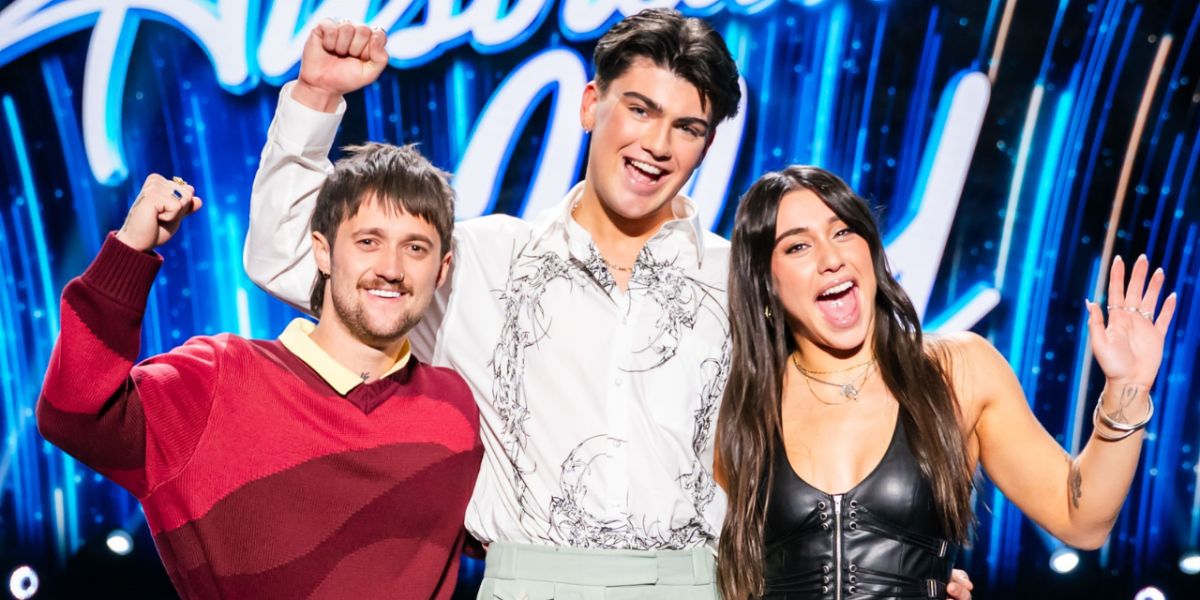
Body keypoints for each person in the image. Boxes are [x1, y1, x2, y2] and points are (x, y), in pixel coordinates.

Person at [242, 10, 973, 599]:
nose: (657, 144)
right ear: (592, 104)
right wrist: (316, 98)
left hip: (703, 581)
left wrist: (898, 570)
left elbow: (843, 405)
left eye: (686, 128)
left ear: (707, 146)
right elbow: (284, 254)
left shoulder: (744, 278)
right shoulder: (483, 261)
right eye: (639, 109)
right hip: (530, 579)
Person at [37, 144, 482, 599]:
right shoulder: (217, 381)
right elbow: (72, 414)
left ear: (441, 270)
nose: (390, 268)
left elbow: (515, 530)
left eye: (415, 247)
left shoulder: (461, 409)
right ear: (323, 252)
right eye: (368, 241)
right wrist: (130, 250)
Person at [715, 166, 1175, 599]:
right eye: (798, 246)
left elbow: (1082, 519)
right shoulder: (740, 405)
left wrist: (1127, 388)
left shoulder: (958, 370)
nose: (831, 258)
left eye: (843, 232)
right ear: (765, 282)